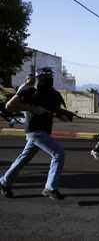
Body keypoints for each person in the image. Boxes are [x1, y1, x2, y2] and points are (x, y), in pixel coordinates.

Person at [0, 67, 67, 200]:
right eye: (47, 76)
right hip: (35, 130)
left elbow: (52, 109)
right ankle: (50, 188)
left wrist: (62, 116)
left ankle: (4, 182)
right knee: (59, 153)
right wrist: (32, 108)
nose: (50, 78)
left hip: (44, 130)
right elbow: (9, 105)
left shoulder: (51, 93)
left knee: (24, 158)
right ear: (40, 77)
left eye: (51, 76)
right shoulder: (30, 89)